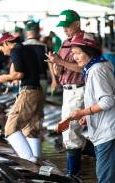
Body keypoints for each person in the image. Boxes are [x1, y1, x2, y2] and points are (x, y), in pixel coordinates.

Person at [69, 31, 115, 183]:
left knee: (105, 178)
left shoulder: (96, 70)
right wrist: (87, 116)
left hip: (107, 132)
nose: (74, 57)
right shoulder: (97, 66)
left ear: (88, 51)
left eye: (77, 53)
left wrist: (83, 112)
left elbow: (107, 101)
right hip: (103, 130)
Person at [47, 9, 86, 176]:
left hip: (79, 90)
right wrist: (56, 65)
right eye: (63, 26)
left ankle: (72, 175)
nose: (64, 29)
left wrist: (60, 61)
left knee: (71, 133)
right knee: (69, 134)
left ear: (77, 24)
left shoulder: (85, 41)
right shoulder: (64, 43)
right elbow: (59, 71)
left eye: (67, 26)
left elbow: (82, 67)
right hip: (67, 90)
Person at [0, 32, 44, 162]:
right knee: (31, 128)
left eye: (1, 48)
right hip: (38, 92)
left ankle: (29, 161)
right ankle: (37, 160)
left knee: (10, 128)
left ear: (5, 43)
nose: (3, 52)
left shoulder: (15, 50)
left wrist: (5, 77)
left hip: (28, 92)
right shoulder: (28, 49)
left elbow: (19, 74)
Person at [23, 20, 57, 95]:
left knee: (25, 105)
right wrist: (54, 80)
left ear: (26, 32)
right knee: (40, 105)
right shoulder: (45, 47)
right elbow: (50, 64)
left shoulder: (21, 46)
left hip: (25, 81)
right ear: (38, 31)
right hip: (42, 80)